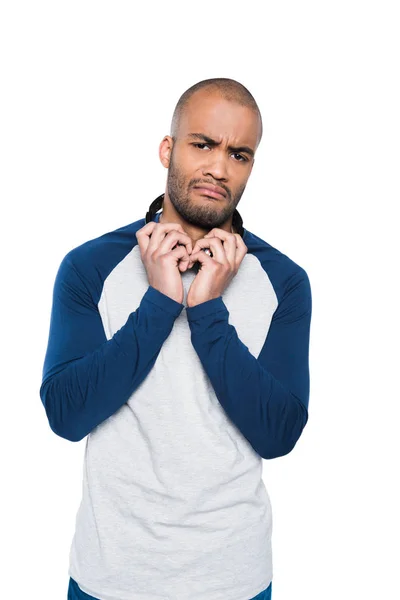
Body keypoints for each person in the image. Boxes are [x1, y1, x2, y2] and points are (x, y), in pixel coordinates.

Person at [40, 77, 312, 600]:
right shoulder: (90, 266)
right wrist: (160, 304)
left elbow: (279, 434)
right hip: (109, 578)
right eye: (203, 144)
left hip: (233, 579)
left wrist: (208, 310)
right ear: (168, 149)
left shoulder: (284, 281)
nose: (218, 167)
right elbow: (65, 415)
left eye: (239, 154)